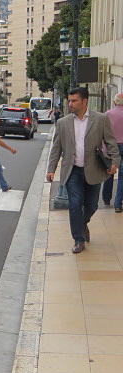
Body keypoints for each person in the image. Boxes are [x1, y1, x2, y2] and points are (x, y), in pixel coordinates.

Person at [46, 87, 121, 253]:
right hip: (72, 170)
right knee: (74, 204)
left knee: (92, 205)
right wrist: (51, 169)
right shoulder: (63, 122)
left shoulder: (100, 119)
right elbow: (56, 148)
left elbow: (111, 142)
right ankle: (78, 239)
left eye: (74, 101)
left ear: (84, 101)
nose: (70, 104)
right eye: (69, 100)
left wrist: (115, 161)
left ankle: (83, 223)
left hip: (94, 169)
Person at [103, 93, 123, 213]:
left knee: (109, 172)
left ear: (114, 102)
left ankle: (106, 198)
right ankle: (118, 204)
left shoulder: (107, 114)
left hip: (111, 146)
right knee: (122, 177)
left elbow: (103, 133)